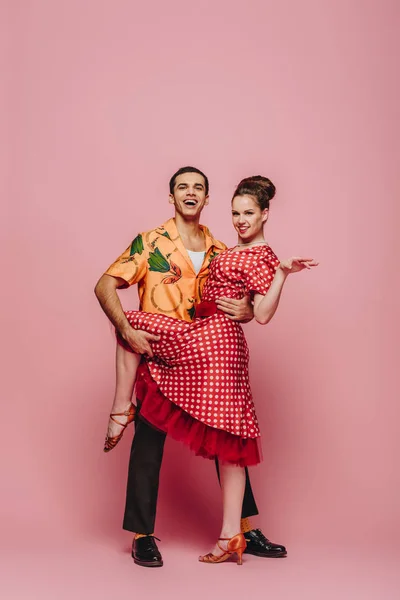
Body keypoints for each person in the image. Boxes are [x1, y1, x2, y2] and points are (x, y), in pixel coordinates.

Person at [94, 167, 302, 566]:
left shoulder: (221, 250)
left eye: (199, 188)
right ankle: (143, 535)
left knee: (226, 435)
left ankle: (240, 529)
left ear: (207, 199)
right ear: (171, 197)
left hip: (204, 356)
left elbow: (246, 303)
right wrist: (127, 330)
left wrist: (244, 311)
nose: (190, 193)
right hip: (160, 356)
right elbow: (104, 285)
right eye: (182, 187)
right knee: (148, 442)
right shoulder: (149, 242)